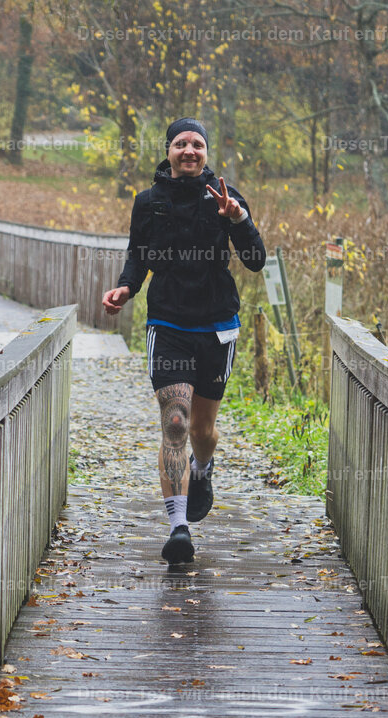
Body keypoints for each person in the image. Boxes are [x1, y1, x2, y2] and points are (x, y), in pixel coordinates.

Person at [102, 116, 266, 565]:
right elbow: (139, 256)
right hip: (168, 324)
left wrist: (239, 221)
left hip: (217, 327)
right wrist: (125, 288)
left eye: (197, 144)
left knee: (202, 431)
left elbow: (255, 261)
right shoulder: (149, 202)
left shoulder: (226, 199)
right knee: (175, 423)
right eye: (181, 144)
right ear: (168, 151)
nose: (189, 150)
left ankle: (203, 468)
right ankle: (179, 527)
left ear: (207, 152)